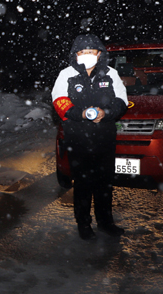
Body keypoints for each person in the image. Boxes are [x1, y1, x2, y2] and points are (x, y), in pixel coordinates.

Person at [51, 34, 129, 240]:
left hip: (105, 138)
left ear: (99, 53)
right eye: (82, 52)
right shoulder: (66, 75)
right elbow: (59, 101)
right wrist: (82, 114)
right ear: (75, 55)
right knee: (83, 184)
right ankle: (84, 224)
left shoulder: (111, 74)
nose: (86, 55)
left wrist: (106, 113)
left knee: (105, 183)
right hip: (78, 139)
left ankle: (106, 222)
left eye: (90, 51)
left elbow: (121, 100)